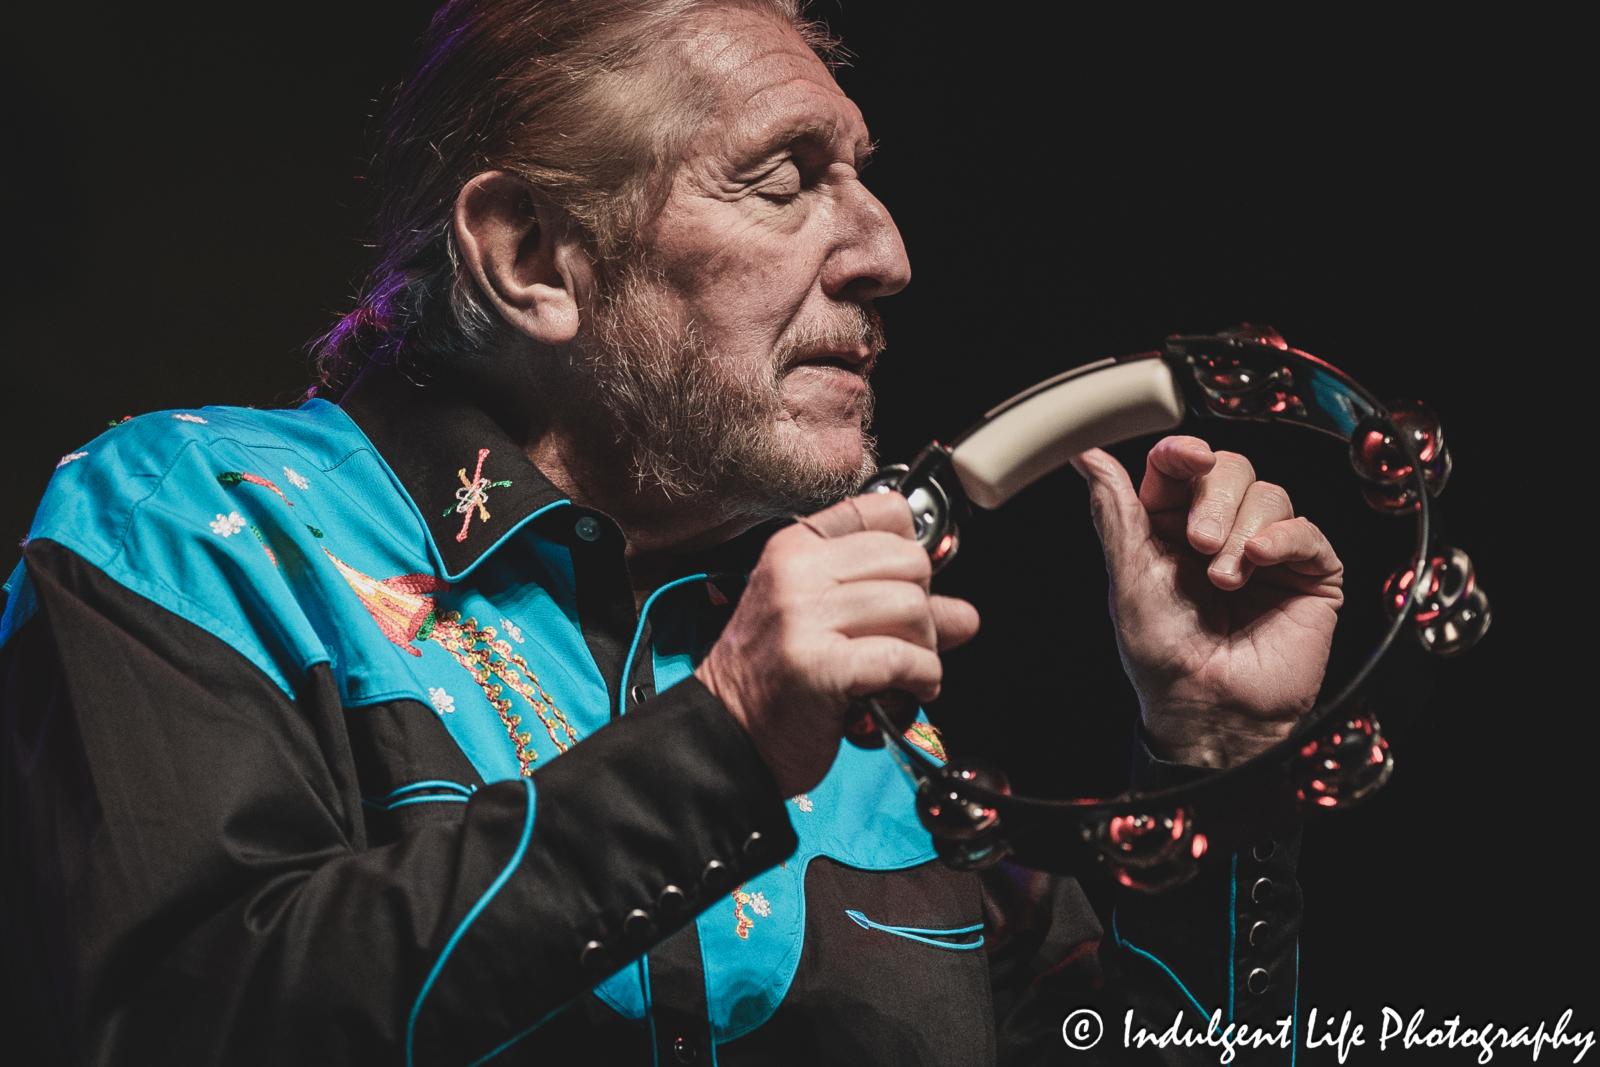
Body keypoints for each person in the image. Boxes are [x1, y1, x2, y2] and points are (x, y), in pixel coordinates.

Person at [0, 0, 1343, 1063]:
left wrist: (1215, 760)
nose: (887, 251)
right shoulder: (202, 519)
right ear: (532, 256)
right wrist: (721, 744)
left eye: (863, 177)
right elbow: (180, 1025)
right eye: (787, 178)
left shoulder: (865, 718)